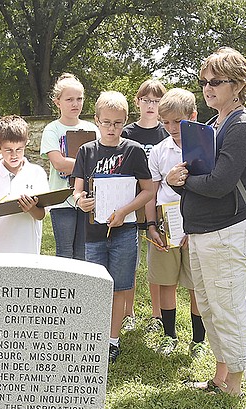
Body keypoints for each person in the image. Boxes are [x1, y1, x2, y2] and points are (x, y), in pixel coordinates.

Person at [165, 47, 246, 397]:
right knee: (207, 305)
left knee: (227, 305)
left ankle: (234, 384)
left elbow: (220, 183)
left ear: (237, 84)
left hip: (226, 229)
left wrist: (184, 182)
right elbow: (196, 171)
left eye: (216, 82)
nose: (207, 88)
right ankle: (220, 376)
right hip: (202, 230)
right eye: (204, 81)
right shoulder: (208, 124)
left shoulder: (243, 125)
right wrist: (177, 175)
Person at [73, 91, 153, 364]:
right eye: (106, 122)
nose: (111, 128)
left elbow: (148, 191)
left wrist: (124, 211)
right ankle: (94, 337)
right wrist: (80, 201)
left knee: (119, 287)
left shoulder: (133, 150)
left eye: (117, 123)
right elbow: (77, 190)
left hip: (124, 230)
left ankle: (112, 340)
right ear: (96, 120)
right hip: (94, 232)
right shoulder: (87, 151)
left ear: (125, 122)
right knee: (96, 287)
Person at [144, 88, 207, 357]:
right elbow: (150, 192)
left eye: (177, 122)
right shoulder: (158, 151)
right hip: (166, 226)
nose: (171, 128)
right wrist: (150, 225)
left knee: (196, 285)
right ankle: (170, 336)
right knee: (166, 282)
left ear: (192, 116)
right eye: (165, 122)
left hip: (198, 226)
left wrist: (197, 228)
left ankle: (199, 340)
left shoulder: (206, 147)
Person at [121, 79, 170, 333]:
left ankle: (156, 314)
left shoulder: (166, 132)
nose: (151, 105)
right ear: (137, 102)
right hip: (132, 201)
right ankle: (127, 313)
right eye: (146, 100)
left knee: (156, 260)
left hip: (158, 202)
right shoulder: (127, 133)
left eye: (156, 101)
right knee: (130, 260)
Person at [40, 73, 100, 260]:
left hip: (86, 199)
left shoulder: (93, 129)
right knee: (65, 253)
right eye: (69, 99)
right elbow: (58, 163)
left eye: (79, 99)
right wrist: (84, 166)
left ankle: (81, 290)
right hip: (62, 200)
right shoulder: (52, 129)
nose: (75, 104)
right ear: (58, 102)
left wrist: (73, 166)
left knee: (83, 253)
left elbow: (99, 163)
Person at [0, 115, 47, 254]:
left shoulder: (36, 173)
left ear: (26, 144)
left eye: (19, 149)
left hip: (27, 249)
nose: (14, 155)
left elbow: (41, 215)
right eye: (8, 150)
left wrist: (31, 208)